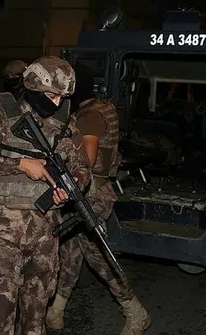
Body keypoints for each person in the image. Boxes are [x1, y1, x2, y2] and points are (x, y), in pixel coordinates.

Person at [0, 56, 91, 335]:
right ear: (34, 88)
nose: (56, 103)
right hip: (3, 231)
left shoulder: (66, 125)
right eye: (51, 96)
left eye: (62, 98)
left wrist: (71, 188)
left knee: (36, 313)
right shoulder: (1, 118)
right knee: (0, 311)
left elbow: (83, 168)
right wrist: (20, 165)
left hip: (47, 232)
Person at [46, 83, 151, 334]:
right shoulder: (101, 108)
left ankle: (135, 311)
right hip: (91, 192)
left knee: (98, 255)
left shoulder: (89, 116)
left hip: (90, 195)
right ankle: (55, 311)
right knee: (71, 253)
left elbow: (88, 160)